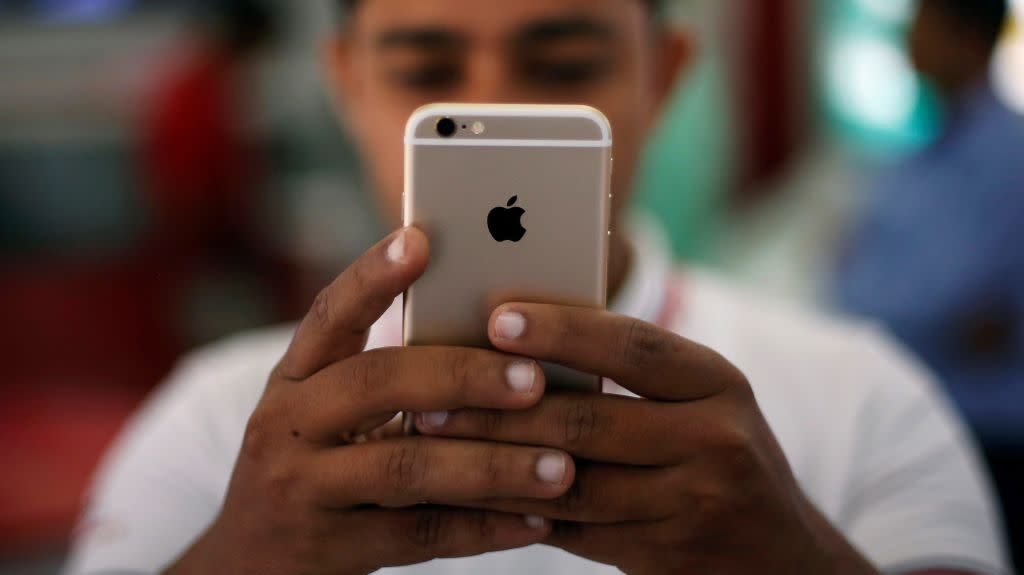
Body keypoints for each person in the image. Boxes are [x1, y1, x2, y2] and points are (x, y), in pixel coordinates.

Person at [64, 1, 1009, 574]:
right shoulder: (214, 422)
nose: (494, 110)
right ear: (347, 84)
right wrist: (247, 557)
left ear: (666, 75)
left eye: (563, 66)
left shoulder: (865, 397)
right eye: (427, 72)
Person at [835, 0, 1024, 565]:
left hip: (991, 437)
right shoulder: (919, 153)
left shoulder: (1009, 156)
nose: (907, 42)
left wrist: (878, 309)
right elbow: (852, 277)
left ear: (967, 40)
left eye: (921, 27)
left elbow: (973, 313)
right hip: (922, 418)